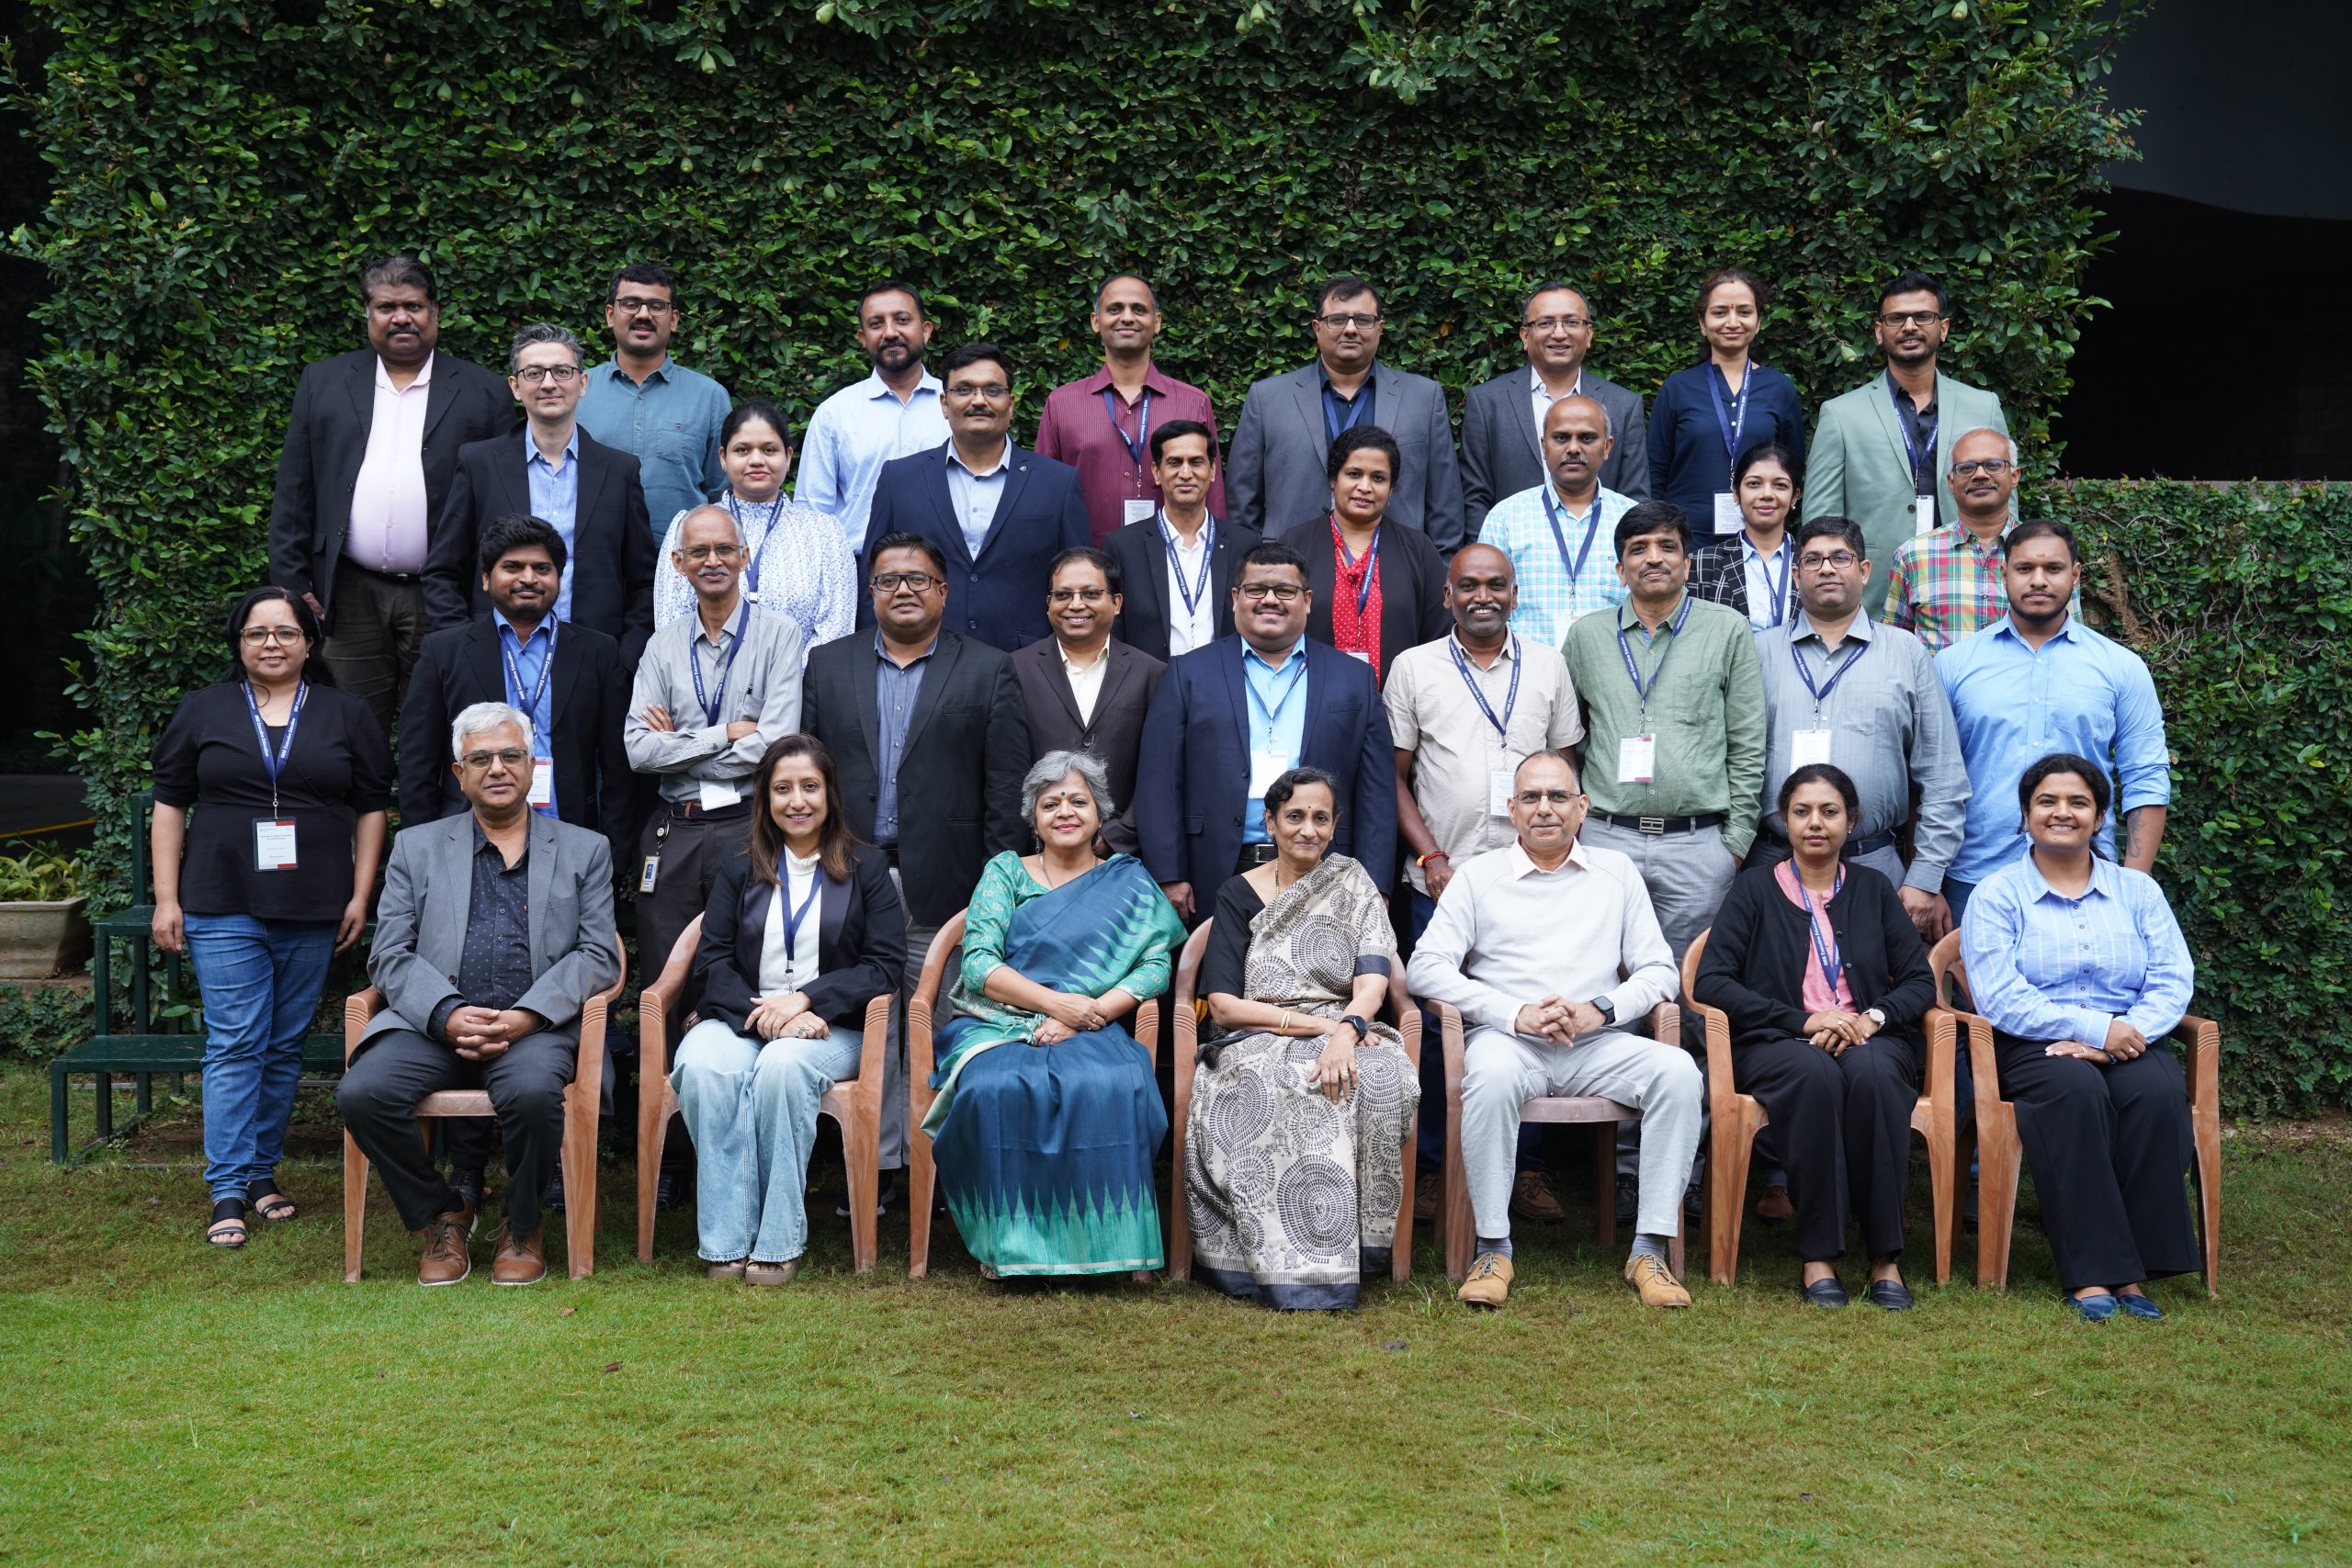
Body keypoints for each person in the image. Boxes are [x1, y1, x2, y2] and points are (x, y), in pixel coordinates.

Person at [334, 701, 623, 1287]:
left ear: (532, 765)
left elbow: (599, 955)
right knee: (361, 1093)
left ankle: (522, 1224)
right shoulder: (416, 847)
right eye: (481, 758)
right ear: (457, 772)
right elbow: (388, 953)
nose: (497, 768)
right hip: (431, 1025)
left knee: (536, 1094)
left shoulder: (583, 849)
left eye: (510, 755)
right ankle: (440, 1216)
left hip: (535, 1029)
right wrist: (446, 1013)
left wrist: (526, 1017)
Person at [1408, 751, 1697, 1310]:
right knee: (1487, 1075)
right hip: (1510, 1042)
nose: (1546, 809)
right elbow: (1427, 967)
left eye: (1559, 797)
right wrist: (1511, 1013)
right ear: (1511, 810)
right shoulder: (1478, 876)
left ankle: (1649, 1249)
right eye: (1532, 798)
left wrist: (1601, 1010)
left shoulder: (1616, 874)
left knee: (1678, 1071)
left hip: (1597, 1043)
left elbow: (1660, 970)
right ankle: (1493, 1248)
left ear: (1582, 808)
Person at [151, 588, 390, 1247]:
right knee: (235, 1040)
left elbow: (373, 806)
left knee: (282, 1045)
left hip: (314, 903)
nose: (272, 643)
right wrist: (167, 898)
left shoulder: (346, 713)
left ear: (310, 642)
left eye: (286, 632)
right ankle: (227, 1185)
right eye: (257, 633)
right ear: (238, 643)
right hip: (220, 899)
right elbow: (169, 802)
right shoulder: (203, 709)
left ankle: (261, 1173)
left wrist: (359, 895)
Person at [802, 532, 1030, 1181]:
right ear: (869, 591)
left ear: (943, 590)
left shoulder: (988, 668)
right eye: (887, 579)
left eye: (918, 578)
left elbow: (1005, 790)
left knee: (941, 1025)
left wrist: (995, 893)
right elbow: (806, 781)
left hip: (949, 884)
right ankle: (873, 1169)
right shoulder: (827, 665)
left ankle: (943, 1172)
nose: (903, 589)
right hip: (849, 881)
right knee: (868, 1024)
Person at [922, 751, 1186, 1278]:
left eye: (1077, 801)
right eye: (1051, 803)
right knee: (993, 1091)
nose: (1065, 811)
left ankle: (1104, 1240)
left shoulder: (1126, 881)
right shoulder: (1005, 872)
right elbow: (977, 965)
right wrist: (1053, 1004)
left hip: (1091, 1024)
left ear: (1099, 812)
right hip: (997, 1024)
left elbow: (1156, 966)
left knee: (1114, 1083)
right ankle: (1009, 1242)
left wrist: (1085, 1015)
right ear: (1034, 817)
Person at [1960, 752, 2199, 1320]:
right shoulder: (1996, 895)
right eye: (2047, 801)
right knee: (2076, 1092)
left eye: (2078, 803)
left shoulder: (2137, 892)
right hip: (2032, 1042)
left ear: (2099, 818)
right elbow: (1998, 995)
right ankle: (2095, 1272)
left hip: (2129, 1036)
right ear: (2024, 816)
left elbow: (2172, 977)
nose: (2061, 812)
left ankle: (2138, 1268)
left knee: (2157, 1095)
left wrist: (2124, 1033)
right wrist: (2094, 1030)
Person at [1385, 541, 1587, 1214]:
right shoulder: (1414, 667)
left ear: (1514, 592)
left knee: (1530, 1016)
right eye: (1467, 585)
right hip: (1443, 881)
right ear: (1447, 596)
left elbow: (1562, 768)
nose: (1482, 596)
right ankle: (1442, 1168)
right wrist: (1431, 857)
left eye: (1496, 584)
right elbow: (1393, 775)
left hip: (1533, 880)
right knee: (1445, 1023)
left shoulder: (1549, 665)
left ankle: (1523, 1170)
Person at [1691, 764, 1936, 1310]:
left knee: (1874, 1078)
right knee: (1814, 1074)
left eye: (1829, 812)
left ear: (1852, 822)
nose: (1815, 823)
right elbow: (1712, 980)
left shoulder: (1873, 889)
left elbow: (1920, 981)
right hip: (1779, 1043)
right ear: (1784, 821)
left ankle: (1885, 1257)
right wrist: (1804, 1021)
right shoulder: (1754, 888)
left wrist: (1872, 1018)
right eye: (1802, 812)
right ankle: (1819, 1255)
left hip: (1868, 1037)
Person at [672, 735, 908, 1282]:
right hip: (740, 1018)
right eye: (782, 789)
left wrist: (806, 1000)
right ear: (765, 798)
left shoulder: (867, 867)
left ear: (830, 795)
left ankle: (778, 1241)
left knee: (782, 1067)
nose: (796, 801)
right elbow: (712, 964)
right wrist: (769, 1014)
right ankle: (726, 1241)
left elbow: (884, 965)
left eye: (809, 787)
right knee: (704, 1067)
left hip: (831, 1030)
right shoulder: (738, 867)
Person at [1187, 767, 1419, 1308]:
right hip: (1258, 1031)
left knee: (1383, 1075)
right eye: (1294, 816)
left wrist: (1347, 1029)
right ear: (1270, 822)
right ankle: (1287, 1264)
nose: (1307, 829)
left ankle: (1360, 1251)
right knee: (1284, 1082)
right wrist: (1317, 1028)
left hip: (1350, 1023)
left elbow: (1372, 981)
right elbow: (1222, 1004)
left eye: (1320, 818)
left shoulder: (1354, 883)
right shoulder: (1237, 893)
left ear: (1335, 826)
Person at [266, 254, 514, 734]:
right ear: (369, 315)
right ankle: (361, 814)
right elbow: (296, 491)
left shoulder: (483, 392)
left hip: (442, 593)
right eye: (386, 307)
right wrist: (294, 586)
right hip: (348, 592)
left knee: (446, 728)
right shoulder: (325, 382)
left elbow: (499, 504)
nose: (401, 317)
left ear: (435, 314)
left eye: (414, 306)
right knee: (348, 729)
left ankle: (441, 814)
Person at [1133, 542, 1398, 922]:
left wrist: (1375, 887)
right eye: (1257, 590)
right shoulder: (1188, 673)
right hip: (1214, 868)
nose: (1270, 600)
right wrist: (1169, 874)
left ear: (1307, 600)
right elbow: (1159, 780)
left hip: (1327, 871)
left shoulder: (1353, 678)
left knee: (1315, 982)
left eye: (1285, 591)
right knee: (1219, 980)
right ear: (1235, 598)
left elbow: (1377, 793)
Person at [1562, 501, 1766, 960]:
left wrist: (1733, 844)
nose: (1653, 558)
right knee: (1601, 972)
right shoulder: (1586, 637)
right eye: (1638, 549)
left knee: (1691, 987)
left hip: (1697, 847)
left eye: (1666, 547)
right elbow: (1566, 742)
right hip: (1605, 840)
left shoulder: (1728, 630)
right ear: (1620, 568)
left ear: (1687, 562)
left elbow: (1749, 743)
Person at [1937, 520, 2168, 923]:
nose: (2038, 581)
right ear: (2003, 573)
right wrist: (1928, 881)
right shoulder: (1954, 666)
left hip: (2089, 881)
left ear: (2075, 574)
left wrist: (2132, 887)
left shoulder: (2121, 668)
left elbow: (2146, 778)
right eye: (2025, 569)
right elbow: (1930, 780)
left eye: (2054, 569)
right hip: (1973, 880)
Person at [1754, 516, 1966, 941]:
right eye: (1813, 560)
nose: (1827, 568)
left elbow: (1943, 776)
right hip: (1773, 863)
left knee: (1875, 997)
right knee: (1773, 995)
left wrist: (1924, 878)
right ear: (1796, 575)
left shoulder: (1906, 651)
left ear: (1864, 570)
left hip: (1873, 864)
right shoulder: (1758, 651)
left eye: (1840, 557)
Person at [624, 505, 807, 992]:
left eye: (725, 548)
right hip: (674, 829)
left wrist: (677, 743)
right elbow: (639, 751)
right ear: (678, 563)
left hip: (748, 826)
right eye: (699, 551)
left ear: (744, 557)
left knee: (754, 967)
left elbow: (776, 746)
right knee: (667, 976)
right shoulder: (661, 647)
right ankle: (662, 1066)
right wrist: (724, 734)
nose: (713, 560)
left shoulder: (780, 635)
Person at [399, 514, 633, 869]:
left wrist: (614, 852)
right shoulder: (444, 652)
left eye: (542, 568)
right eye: (512, 567)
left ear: (558, 578)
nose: (528, 578)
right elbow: (418, 760)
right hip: (464, 842)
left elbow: (617, 765)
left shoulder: (597, 652)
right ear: (485, 579)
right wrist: (421, 851)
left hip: (570, 836)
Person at [424, 323, 657, 668]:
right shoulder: (479, 464)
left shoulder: (619, 471)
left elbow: (643, 582)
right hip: (496, 656)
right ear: (516, 387)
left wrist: (623, 658)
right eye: (534, 373)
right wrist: (467, 645)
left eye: (562, 371)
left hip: (594, 660)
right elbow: (442, 572)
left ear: (583, 383)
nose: (549, 383)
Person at [1802, 272, 2010, 615]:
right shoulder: (1840, 414)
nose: (1909, 326)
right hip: (1873, 593)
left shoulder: (1983, 406)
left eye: (1923, 317)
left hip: (1969, 587)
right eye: (1896, 318)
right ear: (1879, 330)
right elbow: (1820, 522)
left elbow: (2007, 507)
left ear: (1943, 328)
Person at [861, 342, 1091, 651]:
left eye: (993, 391)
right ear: (944, 403)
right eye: (964, 389)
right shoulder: (899, 479)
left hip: (1027, 662)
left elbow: (1081, 581)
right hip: (922, 657)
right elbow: (871, 583)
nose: (979, 400)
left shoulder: (1058, 482)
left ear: (1011, 403)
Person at [1224, 276, 1465, 553]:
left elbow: (1445, 507)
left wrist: (1439, 578)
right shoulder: (1267, 398)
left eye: (1362, 320)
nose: (1350, 329)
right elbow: (1242, 505)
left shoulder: (1424, 398)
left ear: (1380, 328)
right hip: (1291, 574)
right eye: (1337, 319)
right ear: (1317, 328)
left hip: (1396, 570)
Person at [1033, 274, 1227, 545]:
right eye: (1115, 309)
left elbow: (1212, 494)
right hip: (1086, 569)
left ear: (1156, 322)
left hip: (1174, 565)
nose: (1127, 317)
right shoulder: (1062, 404)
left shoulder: (1193, 403)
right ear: (1095, 321)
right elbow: (1043, 495)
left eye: (1139, 309)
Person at [652, 400, 855, 649]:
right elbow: (670, 624)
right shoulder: (687, 528)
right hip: (704, 684)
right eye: (742, 450)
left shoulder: (824, 533)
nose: (757, 460)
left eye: (769, 450)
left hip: (802, 685)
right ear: (723, 458)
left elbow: (835, 630)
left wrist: (787, 682)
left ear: (788, 457)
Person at [1461, 279, 1650, 540]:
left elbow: (1634, 500)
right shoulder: (1488, 403)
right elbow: (1475, 497)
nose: (1559, 333)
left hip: (1601, 560)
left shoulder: (1624, 405)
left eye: (1571, 322)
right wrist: (1487, 561)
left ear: (1589, 334)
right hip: (1512, 560)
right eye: (1545, 323)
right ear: (1525, 336)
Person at [1011, 547, 1166, 855]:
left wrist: (1116, 835)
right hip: (1034, 855)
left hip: (1122, 857)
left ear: (1117, 602)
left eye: (1091, 593)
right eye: (1063, 595)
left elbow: (1160, 772)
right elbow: (1002, 769)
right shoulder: (1014, 669)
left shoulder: (1153, 673)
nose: (1076, 605)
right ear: (1049, 604)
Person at [1275, 425, 1450, 683]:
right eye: (1354, 474)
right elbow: (1274, 627)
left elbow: (1438, 639)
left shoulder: (1419, 550)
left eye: (1378, 478)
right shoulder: (1295, 544)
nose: (1365, 487)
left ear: (1392, 489)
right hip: (1308, 703)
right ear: (1333, 479)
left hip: (1395, 708)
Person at [1471, 395, 1641, 647]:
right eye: (1561, 438)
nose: (1573, 448)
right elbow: (1487, 602)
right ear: (1543, 445)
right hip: (1527, 672)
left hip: (1616, 668)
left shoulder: (1633, 519)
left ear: (1607, 447)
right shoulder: (1505, 518)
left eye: (1587, 438)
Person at [796, 280, 950, 558]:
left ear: (926, 331)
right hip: (860, 573)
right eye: (876, 324)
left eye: (902, 320)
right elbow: (811, 516)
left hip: (947, 569)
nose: (890, 333)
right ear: (863, 338)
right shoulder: (835, 413)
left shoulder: (957, 405)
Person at [577, 261, 731, 535]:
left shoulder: (709, 397)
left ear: (674, 320)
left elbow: (720, 493)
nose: (643, 314)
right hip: (595, 555)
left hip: (682, 563)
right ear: (610, 315)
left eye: (657, 306)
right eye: (631, 303)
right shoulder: (578, 391)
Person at [1646, 268, 1805, 527]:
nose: (1732, 322)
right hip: (1686, 539)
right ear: (1702, 322)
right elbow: (1655, 471)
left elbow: (1793, 468)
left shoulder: (1780, 389)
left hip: (1758, 538)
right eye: (1720, 312)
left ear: (1759, 321)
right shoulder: (1677, 388)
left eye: (1744, 312)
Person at [1102, 420, 1259, 662]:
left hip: (1227, 687)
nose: (1186, 473)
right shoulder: (1123, 546)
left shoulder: (1245, 544)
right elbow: (1114, 630)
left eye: (1196, 462)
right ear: (1156, 472)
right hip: (1151, 690)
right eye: (1175, 463)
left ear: (1213, 471)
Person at [1885, 427, 2050, 652]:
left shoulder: (2048, 551)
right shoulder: (1913, 555)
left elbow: (2070, 638)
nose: (1980, 475)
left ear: (2014, 476)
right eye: (1967, 468)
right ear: (1951, 482)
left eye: (1993, 465)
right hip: (1938, 688)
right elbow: (1894, 648)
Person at [1689, 442, 1802, 628]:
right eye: (1754, 484)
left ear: (1795, 496)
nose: (1767, 494)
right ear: (1735, 492)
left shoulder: (1813, 562)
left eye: (1780, 485)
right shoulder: (1702, 564)